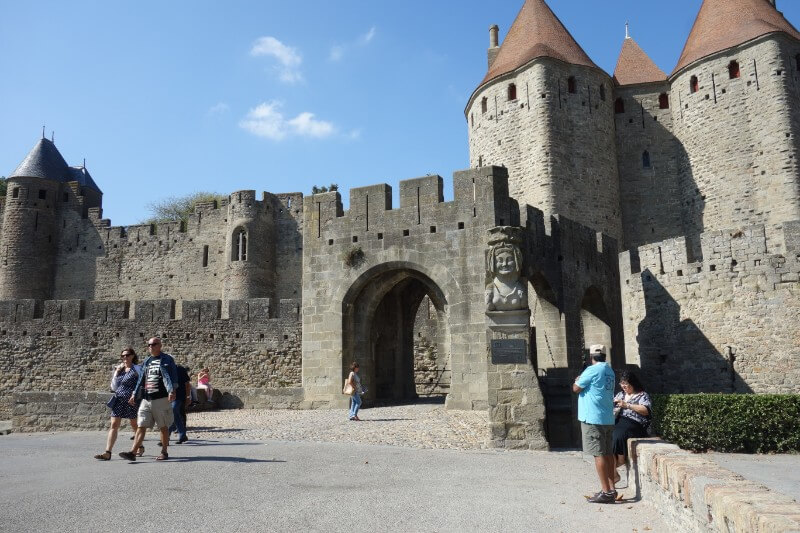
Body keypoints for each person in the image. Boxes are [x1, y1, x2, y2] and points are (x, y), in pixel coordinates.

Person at [119, 337, 178, 462]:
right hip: (146, 398)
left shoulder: (167, 359)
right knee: (141, 425)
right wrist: (135, 393)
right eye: (149, 345)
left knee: (163, 426)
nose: (151, 346)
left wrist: (172, 391)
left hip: (161, 398)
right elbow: (141, 378)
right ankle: (133, 452)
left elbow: (173, 377)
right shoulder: (147, 361)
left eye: (154, 344)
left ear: (160, 345)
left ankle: (164, 452)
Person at [572, 344, 617, 504]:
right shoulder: (609, 371)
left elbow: (576, 388)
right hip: (606, 417)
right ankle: (611, 489)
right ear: (605, 356)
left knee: (598, 454)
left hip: (592, 418)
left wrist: (578, 379)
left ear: (591, 357)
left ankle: (605, 492)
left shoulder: (591, 370)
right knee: (607, 453)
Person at [94, 348, 143, 460]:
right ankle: (108, 452)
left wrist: (135, 394)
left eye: (127, 355)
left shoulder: (137, 369)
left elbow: (141, 384)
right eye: (123, 356)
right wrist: (116, 372)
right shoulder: (120, 369)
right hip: (119, 399)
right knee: (114, 425)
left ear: (132, 356)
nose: (125, 357)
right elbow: (113, 387)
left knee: (134, 425)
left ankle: (139, 445)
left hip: (132, 400)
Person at [612, 371, 652, 482]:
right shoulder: (620, 395)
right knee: (608, 436)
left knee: (618, 435)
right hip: (619, 421)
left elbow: (646, 410)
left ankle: (619, 462)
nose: (623, 386)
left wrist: (627, 405)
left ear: (633, 383)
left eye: (626, 384)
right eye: (621, 383)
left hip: (635, 423)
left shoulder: (642, 395)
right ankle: (613, 474)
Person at [168, 365, 191, 444]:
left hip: (179, 396)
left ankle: (166, 437)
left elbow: (187, 384)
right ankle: (182, 435)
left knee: (173, 411)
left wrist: (188, 396)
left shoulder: (180, 369)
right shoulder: (163, 370)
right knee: (174, 415)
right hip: (167, 397)